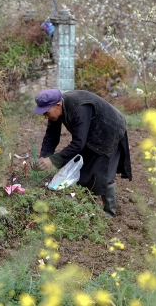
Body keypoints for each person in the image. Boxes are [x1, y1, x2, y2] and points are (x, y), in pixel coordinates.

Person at [33, 89, 132, 217]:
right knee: (83, 172)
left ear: (57, 105)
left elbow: (78, 143)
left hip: (109, 130)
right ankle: (86, 207)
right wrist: (44, 158)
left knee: (103, 174)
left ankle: (109, 213)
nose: (45, 116)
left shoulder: (80, 108)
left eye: (46, 112)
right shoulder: (56, 110)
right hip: (90, 134)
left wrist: (52, 160)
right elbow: (51, 137)